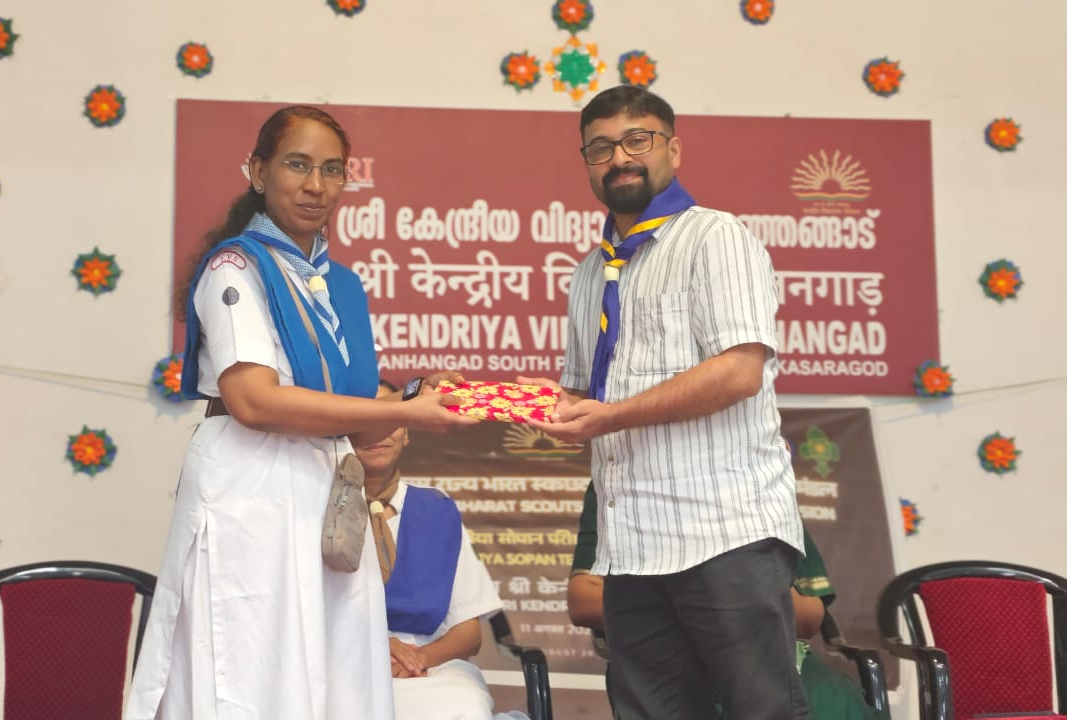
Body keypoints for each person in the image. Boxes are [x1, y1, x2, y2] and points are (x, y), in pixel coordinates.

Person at [125, 105, 476, 720]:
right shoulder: (236, 267)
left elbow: (352, 417)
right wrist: (412, 413)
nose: (316, 185)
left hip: (328, 488)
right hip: (251, 488)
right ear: (258, 172)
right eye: (297, 165)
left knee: (335, 673)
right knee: (252, 672)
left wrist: (416, 398)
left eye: (332, 170)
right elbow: (253, 400)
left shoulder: (343, 286)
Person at [522, 84, 808, 719]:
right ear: (587, 163)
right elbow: (583, 395)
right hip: (631, 544)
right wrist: (496, 400)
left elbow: (739, 372)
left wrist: (612, 415)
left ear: (673, 151)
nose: (619, 157)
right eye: (600, 148)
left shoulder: (715, 238)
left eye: (637, 140)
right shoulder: (590, 271)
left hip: (724, 534)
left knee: (763, 711)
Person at [569, 485, 885, 720]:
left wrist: (725, 584)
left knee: (836, 703)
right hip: (668, 658)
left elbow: (808, 617)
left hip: (770, 653)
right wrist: (710, 593)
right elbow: (583, 602)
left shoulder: (757, 480)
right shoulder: (619, 483)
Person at [354, 380, 531, 720]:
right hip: (345, 658)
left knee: (463, 708)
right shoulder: (316, 510)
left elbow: (468, 634)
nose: (380, 431)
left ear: (407, 432)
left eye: (392, 418)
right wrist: (373, 645)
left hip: (431, 665)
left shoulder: (436, 508)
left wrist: (418, 659)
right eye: (369, 418)